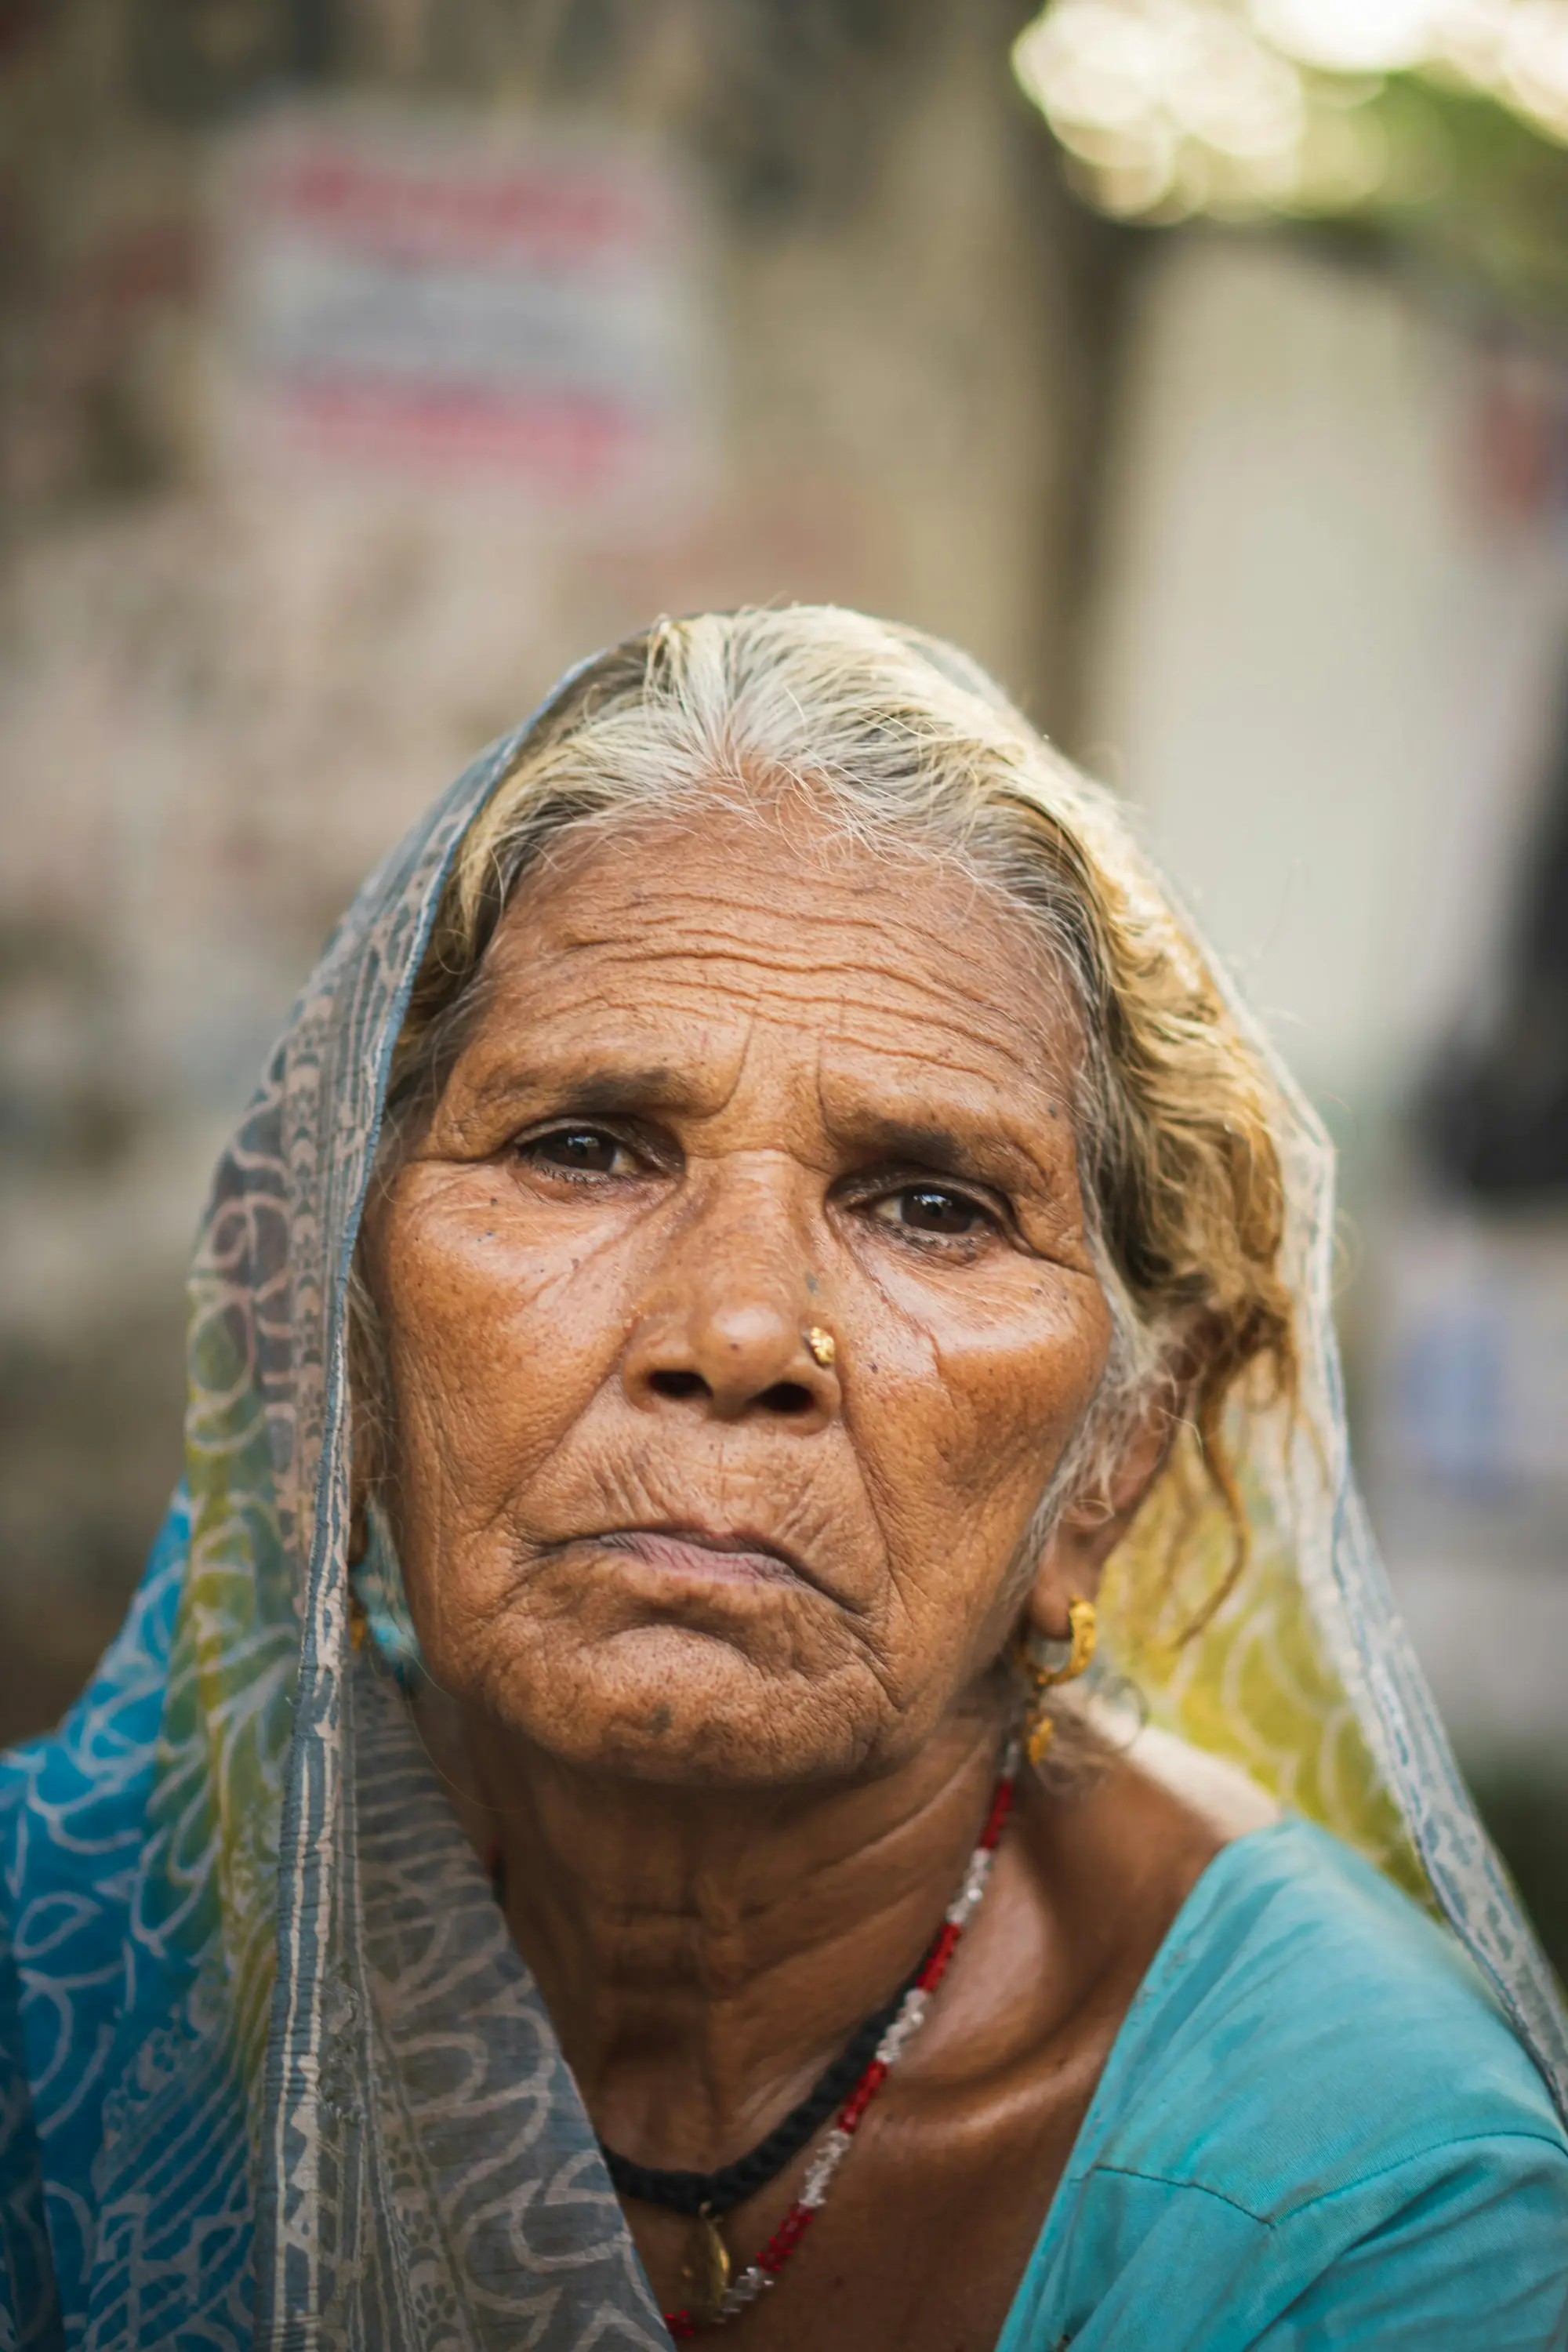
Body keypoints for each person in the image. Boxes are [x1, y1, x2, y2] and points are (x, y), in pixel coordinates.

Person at [2, 608, 1565, 2352]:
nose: (740, 1330)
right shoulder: (58, 1977)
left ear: (1116, 1451)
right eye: (582, 1148)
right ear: (342, 1329)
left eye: (931, 1204)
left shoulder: (1364, 2208)